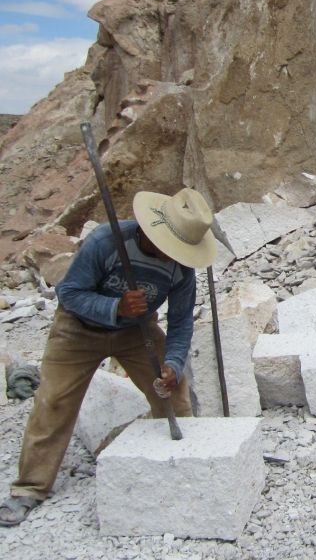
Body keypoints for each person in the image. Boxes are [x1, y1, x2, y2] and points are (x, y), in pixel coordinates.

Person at [0, 187, 217, 527]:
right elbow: (68, 293)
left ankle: (183, 465)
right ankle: (29, 488)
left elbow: (180, 322)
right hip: (78, 330)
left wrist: (173, 364)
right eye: (168, 247)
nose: (172, 255)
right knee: (54, 401)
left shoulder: (181, 270)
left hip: (136, 332)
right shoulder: (107, 241)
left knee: (174, 391)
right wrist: (114, 306)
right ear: (149, 232)